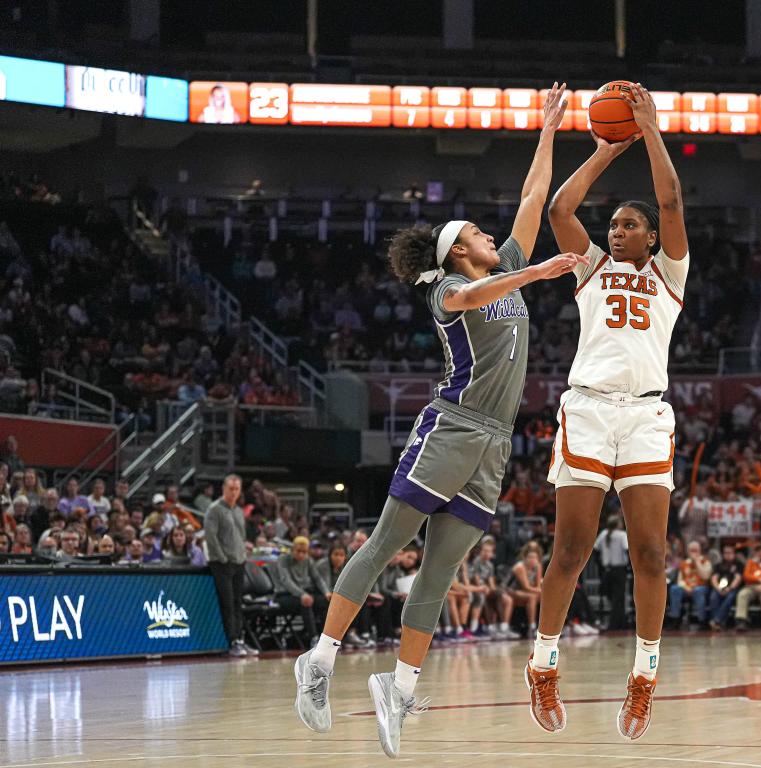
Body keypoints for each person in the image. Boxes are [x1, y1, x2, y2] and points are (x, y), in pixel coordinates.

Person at [291, 82, 578, 760]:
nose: (490, 234)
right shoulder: (449, 288)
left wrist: (546, 130)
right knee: (387, 542)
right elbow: (484, 291)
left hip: (495, 442)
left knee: (442, 570)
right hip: (450, 426)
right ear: (456, 252)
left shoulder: (500, 264)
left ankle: (399, 685)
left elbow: (534, 200)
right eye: (478, 234)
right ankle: (321, 661)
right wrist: (537, 274)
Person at [530, 83, 689, 740]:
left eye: (629, 224)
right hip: (590, 411)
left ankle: (644, 679)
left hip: (647, 417)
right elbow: (562, 206)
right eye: (614, 224)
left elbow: (674, 198)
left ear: (651, 236)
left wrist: (650, 133)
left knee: (651, 554)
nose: (616, 229)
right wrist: (604, 147)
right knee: (571, 548)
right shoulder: (591, 268)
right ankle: (543, 666)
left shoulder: (669, 274)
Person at [205, 474, 258, 658]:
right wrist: (222, 557)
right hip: (222, 564)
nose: (234, 492)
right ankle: (232, 641)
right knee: (227, 604)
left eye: (237, 489)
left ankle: (240, 639)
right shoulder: (214, 510)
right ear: (224, 489)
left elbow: (241, 536)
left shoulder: (238, 511)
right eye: (231, 489)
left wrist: (242, 554)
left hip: (238, 562)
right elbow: (211, 537)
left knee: (237, 603)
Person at [274, 536, 333, 644]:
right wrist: (302, 594)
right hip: (284, 594)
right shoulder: (283, 559)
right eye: (298, 551)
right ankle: (314, 639)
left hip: (304, 593)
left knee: (327, 601)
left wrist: (326, 592)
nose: (301, 554)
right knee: (306, 602)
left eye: (304, 552)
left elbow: (317, 578)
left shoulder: (308, 560)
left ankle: (326, 638)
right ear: (292, 550)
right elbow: (286, 581)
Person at [594, 514, 630, 630]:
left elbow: (595, 549)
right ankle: (615, 624)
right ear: (617, 524)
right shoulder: (622, 535)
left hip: (607, 571)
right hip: (619, 570)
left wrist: (599, 565)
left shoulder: (603, 534)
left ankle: (620, 621)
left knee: (613, 597)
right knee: (618, 598)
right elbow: (627, 549)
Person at [666, 540, 711, 630]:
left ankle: (702, 620)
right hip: (686, 588)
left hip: (701, 587)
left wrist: (697, 562)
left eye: (696, 550)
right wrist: (686, 588)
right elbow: (680, 580)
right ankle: (675, 619)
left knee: (698, 591)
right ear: (688, 551)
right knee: (674, 588)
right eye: (691, 550)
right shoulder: (684, 563)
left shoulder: (705, 561)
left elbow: (706, 576)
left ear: (700, 551)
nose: (693, 553)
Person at [708, 544, 743, 630]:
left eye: (730, 553)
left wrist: (730, 588)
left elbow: (737, 578)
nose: (727, 555)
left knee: (730, 597)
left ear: (734, 554)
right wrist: (718, 588)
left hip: (732, 588)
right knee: (713, 597)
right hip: (719, 588)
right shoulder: (718, 565)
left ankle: (717, 620)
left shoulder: (738, 564)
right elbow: (714, 578)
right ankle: (719, 623)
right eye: (725, 553)